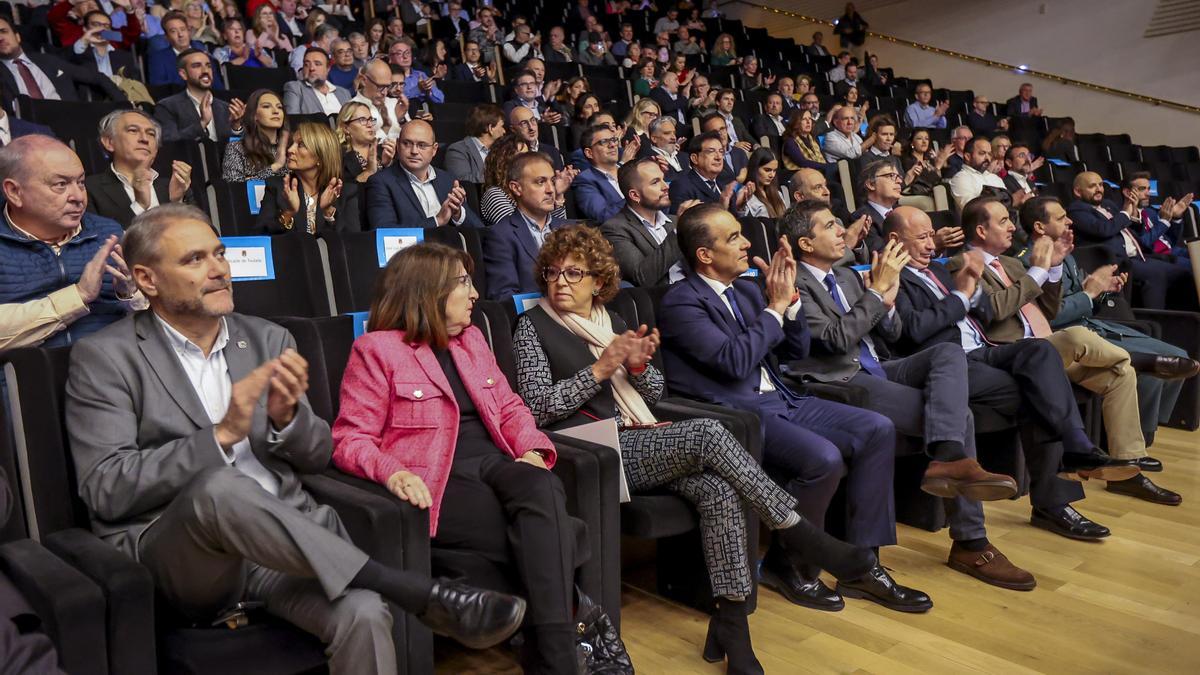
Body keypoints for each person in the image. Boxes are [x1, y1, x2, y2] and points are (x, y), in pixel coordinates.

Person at [66, 205, 526, 674]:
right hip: (185, 559)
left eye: (220, 254)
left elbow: (318, 455)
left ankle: (388, 590)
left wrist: (286, 421)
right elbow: (105, 487)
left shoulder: (269, 339)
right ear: (147, 279)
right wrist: (222, 436)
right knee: (219, 486)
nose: (219, 269)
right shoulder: (106, 357)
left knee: (363, 615)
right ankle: (411, 590)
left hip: (283, 550)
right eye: (194, 259)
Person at [515, 224, 881, 671]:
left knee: (719, 491)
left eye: (574, 274)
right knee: (707, 433)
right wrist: (598, 369)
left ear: (598, 280)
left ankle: (733, 626)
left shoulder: (612, 321)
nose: (560, 282)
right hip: (592, 450)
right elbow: (535, 409)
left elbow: (652, 393)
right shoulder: (531, 326)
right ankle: (798, 530)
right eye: (552, 272)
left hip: (640, 436)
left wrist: (637, 365)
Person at [659, 203, 930, 613]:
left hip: (784, 398)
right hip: (738, 416)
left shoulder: (749, 290)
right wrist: (774, 307)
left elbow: (796, 350)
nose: (746, 242)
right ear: (704, 255)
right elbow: (733, 361)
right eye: (733, 237)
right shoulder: (681, 302)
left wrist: (793, 305)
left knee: (877, 429)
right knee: (823, 458)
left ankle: (862, 564)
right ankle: (791, 566)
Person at [330, 236, 580, 671]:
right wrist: (391, 473)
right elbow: (350, 439)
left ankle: (549, 653)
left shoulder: (472, 341)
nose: (475, 294)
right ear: (429, 291)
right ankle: (559, 652)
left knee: (542, 482)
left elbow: (509, 407)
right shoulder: (377, 351)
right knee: (550, 531)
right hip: (437, 479)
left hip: (495, 462)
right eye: (464, 283)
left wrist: (534, 448)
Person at [784, 200, 1034, 589]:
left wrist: (888, 298)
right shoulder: (795, 282)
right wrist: (876, 295)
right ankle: (970, 539)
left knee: (948, 352)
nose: (841, 231)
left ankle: (949, 462)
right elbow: (833, 342)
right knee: (961, 418)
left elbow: (895, 333)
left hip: (876, 366)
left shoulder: (849, 277)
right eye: (830, 225)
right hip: (837, 381)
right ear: (805, 242)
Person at [883, 206, 1129, 540]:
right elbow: (912, 330)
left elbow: (985, 311)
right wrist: (961, 294)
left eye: (931, 235)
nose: (932, 244)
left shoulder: (939, 271)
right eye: (923, 237)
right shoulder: (892, 275)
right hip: (947, 365)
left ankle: (1076, 445)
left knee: (1040, 352)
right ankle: (1054, 498)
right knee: (1037, 392)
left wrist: (974, 289)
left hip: (984, 351)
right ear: (895, 240)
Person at [948, 196, 1147, 487]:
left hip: (1048, 347)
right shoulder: (961, 263)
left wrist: (1053, 268)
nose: (1012, 228)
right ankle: (1136, 358)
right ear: (980, 231)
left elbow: (1049, 311)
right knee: (1079, 336)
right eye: (1003, 221)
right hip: (1018, 353)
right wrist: (1038, 271)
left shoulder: (1009, 264)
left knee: (1120, 375)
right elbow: (996, 309)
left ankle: (1129, 465)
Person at [1018, 196, 1193, 504]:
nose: (1070, 222)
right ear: (1039, 226)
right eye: (1061, 218)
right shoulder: (1025, 260)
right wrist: (1090, 291)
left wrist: (1102, 290)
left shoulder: (1065, 251)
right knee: (1132, 367)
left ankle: (1132, 460)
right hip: (1064, 341)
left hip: (1093, 329)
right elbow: (1049, 316)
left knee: (1174, 355)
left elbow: (1077, 299)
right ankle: (1132, 453)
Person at [0, 135, 144, 352]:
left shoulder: (108, 233)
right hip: (26, 380)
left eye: (81, 182)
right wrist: (78, 296)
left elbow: (150, 323)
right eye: (61, 184)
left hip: (113, 372)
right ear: (14, 192)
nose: (78, 197)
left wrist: (130, 295)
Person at [1067, 172, 1195, 309]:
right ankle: (1156, 320)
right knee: (1157, 274)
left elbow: (1133, 229)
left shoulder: (1108, 204)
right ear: (1078, 191)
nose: (1099, 189)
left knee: (1184, 273)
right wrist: (1126, 213)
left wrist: (1133, 215)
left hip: (1139, 255)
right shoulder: (1076, 211)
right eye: (1092, 186)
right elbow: (1104, 229)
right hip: (1117, 260)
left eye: (1100, 185)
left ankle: (1185, 319)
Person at [365, 119, 482, 229]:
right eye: (407, 143)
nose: (414, 151)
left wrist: (458, 214)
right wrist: (437, 221)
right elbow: (384, 230)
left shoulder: (448, 180)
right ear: (397, 145)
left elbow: (480, 229)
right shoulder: (381, 182)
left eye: (422, 145)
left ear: (434, 149)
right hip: (411, 250)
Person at [86, 110, 194, 229]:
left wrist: (176, 203)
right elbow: (98, 242)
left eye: (151, 134)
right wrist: (139, 206)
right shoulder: (89, 189)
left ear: (156, 148)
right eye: (133, 130)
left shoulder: (175, 187)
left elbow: (209, 234)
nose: (144, 139)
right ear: (109, 142)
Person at [483, 152, 570, 299]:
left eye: (552, 181)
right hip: (536, 318)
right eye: (540, 182)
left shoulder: (570, 229)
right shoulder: (501, 235)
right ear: (516, 188)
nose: (550, 190)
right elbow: (504, 297)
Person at [0, 14, 126, 110]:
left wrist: (125, 106)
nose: (0, 38)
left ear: (17, 36)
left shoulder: (47, 60)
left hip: (70, 119)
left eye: (3, 32)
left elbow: (97, 77)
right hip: (29, 132)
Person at [258, 122, 359, 235]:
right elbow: (260, 238)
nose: (290, 150)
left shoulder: (346, 192)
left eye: (301, 145)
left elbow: (352, 242)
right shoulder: (278, 187)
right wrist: (288, 213)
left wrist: (328, 212)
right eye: (292, 144)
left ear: (320, 157)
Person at [601, 157, 686, 287]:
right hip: (665, 299)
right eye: (655, 182)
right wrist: (678, 232)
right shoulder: (615, 229)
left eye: (663, 179)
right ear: (635, 195)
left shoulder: (674, 221)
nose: (665, 187)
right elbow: (641, 276)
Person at [156, 49, 243, 143]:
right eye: (197, 66)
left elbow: (238, 150)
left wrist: (236, 127)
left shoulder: (227, 108)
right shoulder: (167, 107)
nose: (205, 70)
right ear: (183, 74)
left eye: (208, 66)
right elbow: (169, 143)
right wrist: (202, 123)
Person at [668, 132, 749, 213]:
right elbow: (684, 223)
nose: (718, 157)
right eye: (711, 151)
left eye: (721, 152)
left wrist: (739, 207)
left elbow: (736, 221)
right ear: (695, 158)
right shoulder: (681, 186)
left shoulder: (725, 182)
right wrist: (722, 208)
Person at [220, 89, 288, 182]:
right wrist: (275, 166)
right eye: (267, 106)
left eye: (280, 107)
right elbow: (233, 188)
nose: (276, 111)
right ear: (254, 115)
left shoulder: (293, 147)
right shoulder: (237, 149)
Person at [147, 12, 225, 88]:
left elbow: (218, 88)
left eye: (183, 29)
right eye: (173, 31)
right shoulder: (158, 59)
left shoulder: (204, 56)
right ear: (166, 37)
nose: (180, 34)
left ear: (189, 31)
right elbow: (159, 89)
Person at [572, 123, 626, 223]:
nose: (613, 145)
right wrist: (636, 196)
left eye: (614, 140)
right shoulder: (585, 180)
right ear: (589, 153)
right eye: (604, 142)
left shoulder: (630, 172)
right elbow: (602, 216)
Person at [69, 9, 143, 80]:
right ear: (85, 29)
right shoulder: (79, 53)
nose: (102, 29)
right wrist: (84, 39)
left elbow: (136, 86)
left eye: (106, 26)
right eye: (96, 24)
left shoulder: (125, 57)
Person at [444, 104, 506, 186]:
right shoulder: (457, 150)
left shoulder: (501, 150)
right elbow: (462, 179)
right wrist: (499, 176)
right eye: (501, 126)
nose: (504, 131)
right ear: (490, 128)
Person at [337, 100, 394, 184]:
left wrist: (388, 164)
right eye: (362, 120)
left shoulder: (382, 150)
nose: (370, 125)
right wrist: (369, 171)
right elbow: (345, 192)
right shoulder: (339, 157)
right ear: (346, 128)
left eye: (370, 119)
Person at [284, 47, 352, 116]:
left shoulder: (344, 93)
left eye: (317, 64)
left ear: (328, 68)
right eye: (306, 65)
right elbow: (292, 120)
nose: (311, 68)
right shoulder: (295, 88)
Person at [949, 137, 1009, 212]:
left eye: (989, 154)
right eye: (982, 153)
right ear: (968, 156)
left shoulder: (995, 178)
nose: (988, 158)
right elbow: (973, 210)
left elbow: (1007, 203)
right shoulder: (961, 178)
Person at [386, 37, 444, 106]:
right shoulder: (387, 76)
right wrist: (418, 89)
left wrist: (429, 92)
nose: (405, 56)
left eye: (408, 53)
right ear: (390, 58)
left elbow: (441, 100)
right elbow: (395, 101)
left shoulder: (420, 74)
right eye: (399, 53)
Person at [508, 105, 565, 170]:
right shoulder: (510, 154)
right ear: (513, 129)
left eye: (533, 120)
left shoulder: (552, 152)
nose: (531, 127)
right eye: (524, 123)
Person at [900, 129, 950, 198]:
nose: (924, 142)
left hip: (933, 194)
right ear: (912, 143)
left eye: (926, 139)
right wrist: (938, 167)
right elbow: (923, 183)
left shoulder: (930, 160)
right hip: (917, 195)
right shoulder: (907, 161)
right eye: (919, 138)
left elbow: (940, 180)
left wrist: (944, 164)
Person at [744, 148, 789, 219]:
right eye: (767, 170)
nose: (772, 175)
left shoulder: (778, 193)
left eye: (774, 171)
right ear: (755, 168)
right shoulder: (746, 195)